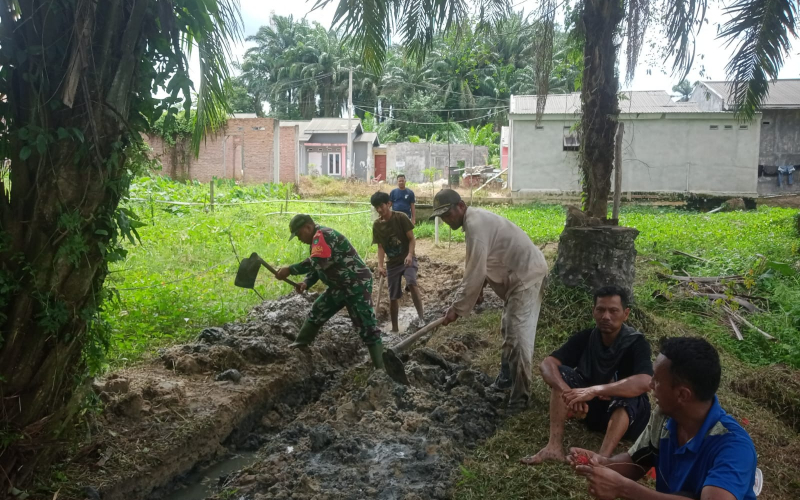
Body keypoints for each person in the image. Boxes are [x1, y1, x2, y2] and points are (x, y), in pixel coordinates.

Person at [569, 337, 758, 500]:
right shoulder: (665, 418)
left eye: (657, 381)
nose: (650, 385)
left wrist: (624, 488)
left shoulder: (734, 446)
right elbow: (637, 462)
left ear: (683, 395)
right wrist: (600, 463)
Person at [434, 189, 548, 411]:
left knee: (518, 336)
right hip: (519, 273)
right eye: (442, 217)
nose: (447, 220)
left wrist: (456, 308)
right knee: (508, 328)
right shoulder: (474, 221)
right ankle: (506, 378)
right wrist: (479, 289)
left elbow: (474, 272)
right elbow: (487, 260)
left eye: (448, 214)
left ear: (461, 206)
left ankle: (520, 398)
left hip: (526, 275)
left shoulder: (475, 226)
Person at [521, 286, 653, 465]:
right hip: (592, 412)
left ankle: (602, 457)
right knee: (561, 374)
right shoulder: (587, 337)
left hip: (629, 418)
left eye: (613, 311)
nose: (606, 316)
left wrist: (595, 390)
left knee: (628, 397)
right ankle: (553, 447)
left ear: (626, 314)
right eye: (601, 310)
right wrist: (568, 392)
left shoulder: (637, 343)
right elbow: (547, 364)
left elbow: (645, 381)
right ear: (593, 311)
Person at [275, 214, 384, 369]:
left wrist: (290, 270)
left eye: (299, 234)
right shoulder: (316, 239)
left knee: (367, 327)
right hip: (339, 287)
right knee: (318, 310)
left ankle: (381, 368)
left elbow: (315, 261)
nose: (299, 238)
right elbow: (318, 266)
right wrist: (306, 282)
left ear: (308, 227)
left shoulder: (324, 236)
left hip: (356, 285)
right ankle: (300, 345)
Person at [370, 191, 425, 331]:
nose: (379, 209)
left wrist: (410, 255)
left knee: (412, 282)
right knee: (393, 296)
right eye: (376, 207)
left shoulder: (401, 218)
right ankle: (394, 329)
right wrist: (380, 265)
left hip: (407, 259)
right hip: (392, 264)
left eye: (381, 206)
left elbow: (412, 239)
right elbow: (381, 247)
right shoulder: (377, 225)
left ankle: (422, 319)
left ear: (389, 204)